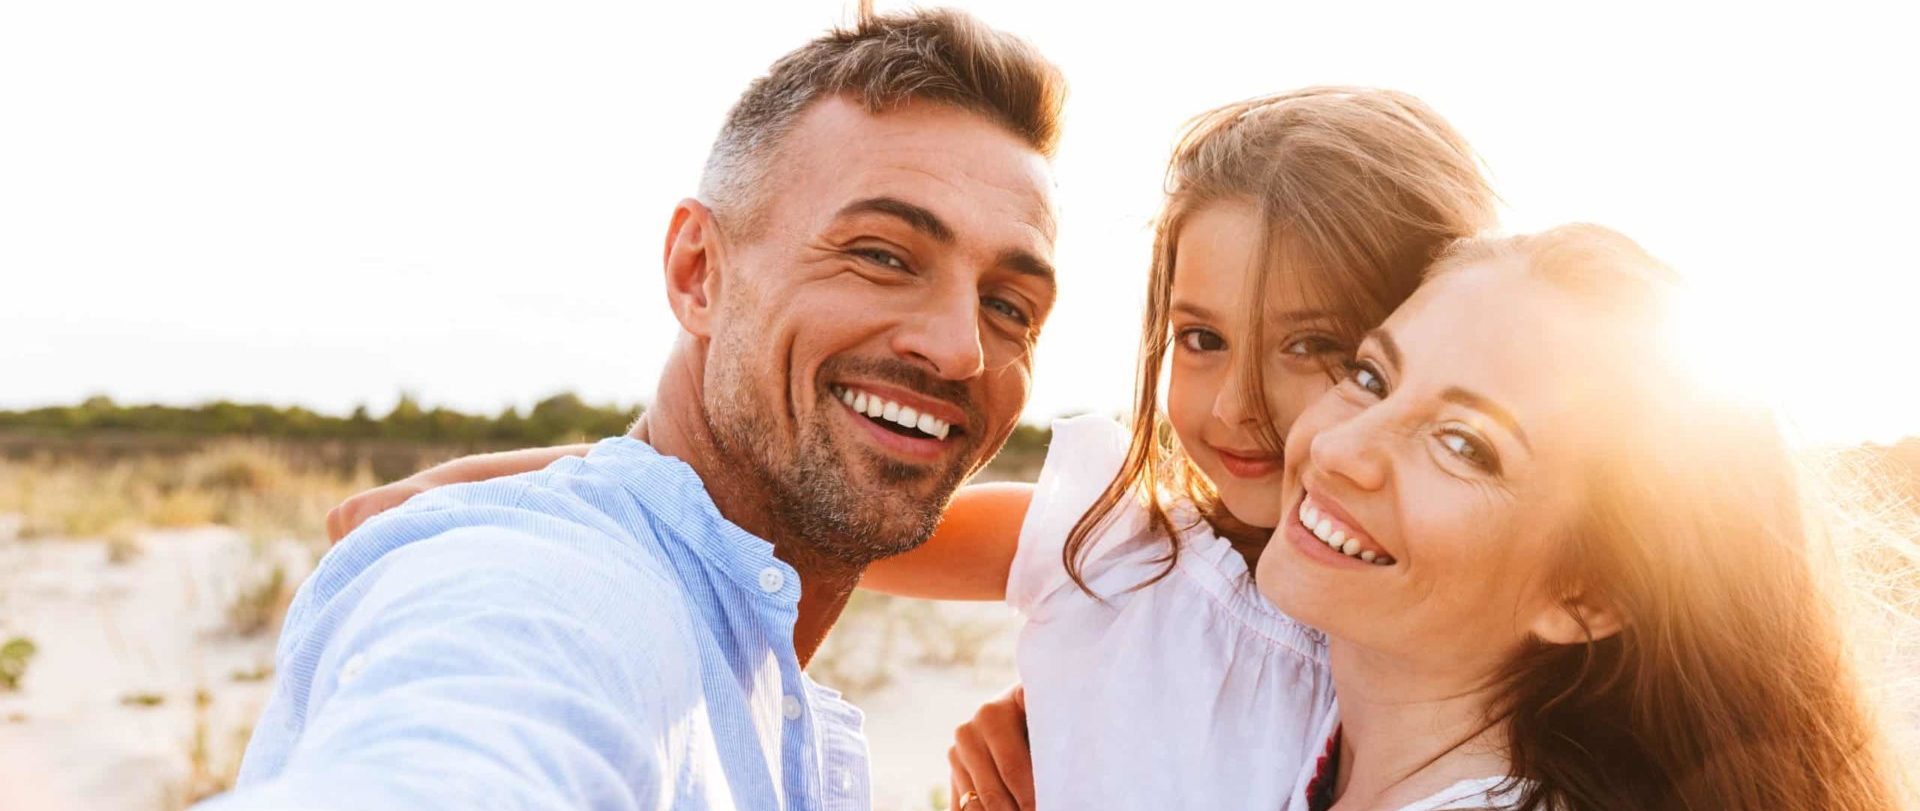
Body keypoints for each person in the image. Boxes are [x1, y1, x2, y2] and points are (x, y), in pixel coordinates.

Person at [331, 87, 1501, 810]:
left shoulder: (1481, 641)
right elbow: (779, 510)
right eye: (1198, 337)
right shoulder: (1122, 544)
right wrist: (484, 489)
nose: (1240, 408)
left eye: (1317, 347)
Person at [201, 7, 1066, 810]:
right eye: (881, 254)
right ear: (699, 273)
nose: (962, 347)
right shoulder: (554, 595)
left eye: (1010, 307)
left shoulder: (747, 648)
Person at [1256, 225, 1908, 809]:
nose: (1338, 449)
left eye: (1464, 445)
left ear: (1587, 595)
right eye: (1372, 377)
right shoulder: (1301, 738)